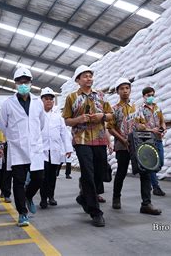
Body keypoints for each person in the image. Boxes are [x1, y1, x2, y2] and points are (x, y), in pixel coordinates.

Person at [62, 65, 113, 227]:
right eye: (85, 76)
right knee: (88, 173)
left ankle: (83, 196)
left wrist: (102, 116)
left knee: (100, 172)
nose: (89, 78)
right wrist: (79, 120)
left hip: (99, 138)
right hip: (81, 139)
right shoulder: (71, 97)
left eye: (90, 75)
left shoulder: (101, 96)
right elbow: (67, 120)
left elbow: (111, 115)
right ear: (78, 80)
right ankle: (95, 212)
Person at [0, 67, 45, 227]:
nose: (23, 84)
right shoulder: (7, 104)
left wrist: (31, 137)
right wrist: (16, 138)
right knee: (18, 181)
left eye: (26, 82)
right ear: (15, 83)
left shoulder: (38, 102)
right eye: (20, 82)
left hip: (35, 147)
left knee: (39, 178)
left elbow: (41, 123)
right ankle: (22, 213)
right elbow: (2, 125)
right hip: (17, 148)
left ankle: (28, 196)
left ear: (31, 83)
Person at [107, 78, 161, 215]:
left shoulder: (137, 107)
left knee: (145, 171)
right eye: (122, 89)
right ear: (117, 91)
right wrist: (123, 140)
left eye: (127, 88)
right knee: (121, 172)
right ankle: (116, 197)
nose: (125, 91)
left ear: (130, 90)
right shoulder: (114, 109)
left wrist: (143, 127)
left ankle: (146, 204)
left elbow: (142, 122)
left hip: (138, 144)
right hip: (122, 145)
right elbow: (110, 128)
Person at [39, 87, 73, 209]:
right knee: (43, 176)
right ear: (41, 100)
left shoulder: (58, 116)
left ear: (53, 101)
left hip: (55, 150)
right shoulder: (38, 114)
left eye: (51, 99)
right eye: (46, 99)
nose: (49, 101)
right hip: (42, 151)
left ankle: (51, 196)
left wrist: (68, 148)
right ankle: (43, 198)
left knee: (52, 176)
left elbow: (64, 133)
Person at [134, 87, 166, 196]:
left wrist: (163, 129)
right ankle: (155, 186)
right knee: (153, 163)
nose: (150, 97)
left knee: (160, 162)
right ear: (143, 96)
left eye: (152, 95)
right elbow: (138, 125)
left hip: (158, 138)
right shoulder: (140, 109)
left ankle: (152, 177)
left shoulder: (158, 108)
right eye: (148, 95)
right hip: (148, 139)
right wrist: (151, 130)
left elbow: (162, 121)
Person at [0, 129, 12, 203]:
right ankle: (3, 189)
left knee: (7, 170)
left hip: (8, 143)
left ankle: (7, 193)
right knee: (0, 171)